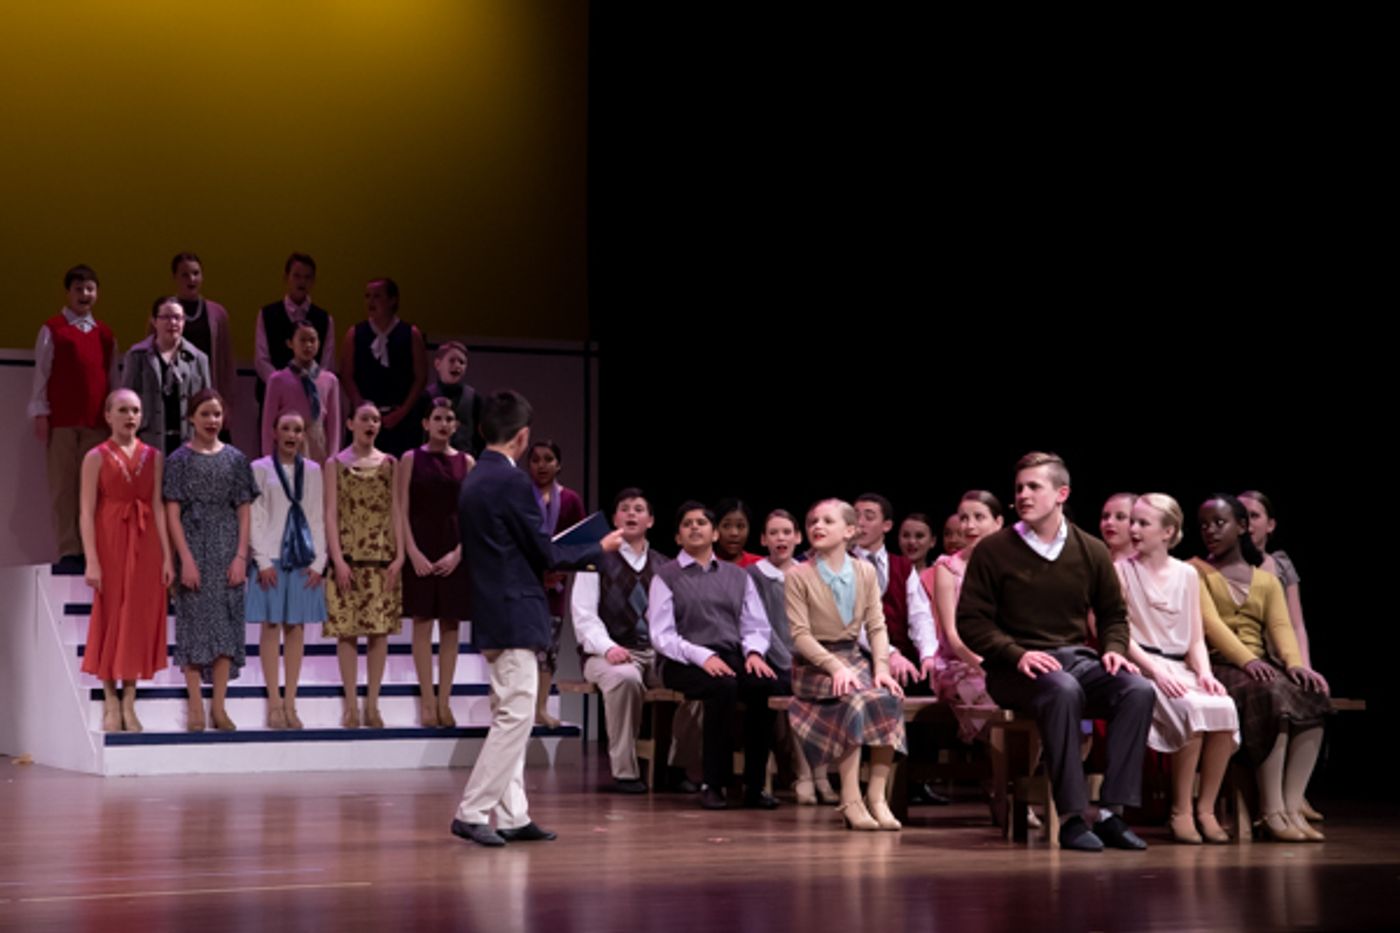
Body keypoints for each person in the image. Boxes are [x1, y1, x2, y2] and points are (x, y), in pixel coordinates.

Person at [956, 451, 1155, 852]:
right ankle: (1071, 818)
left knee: (1137, 690)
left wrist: (1114, 649)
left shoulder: (1090, 549)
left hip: (1073, 659)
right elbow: (971, 622)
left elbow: (1114, 615)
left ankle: (1112, 813)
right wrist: (1016, 653)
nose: (1023, 495)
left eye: (1034, 487)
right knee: (1062, 689)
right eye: (1019, 488)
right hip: (1014, 668)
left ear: (1061, 493)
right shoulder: (994, 550)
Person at [451, 390, 621, 847]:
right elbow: (545, 552)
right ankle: (472, 811)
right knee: (516, 714)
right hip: (513, 610)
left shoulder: (475, 477)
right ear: (523, 436)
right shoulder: (511, 481)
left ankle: (513, 814)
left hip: (493, 607)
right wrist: (598, 548)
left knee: (511, 711)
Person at [1192, 494, 1330, 842]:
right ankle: (1271, 810)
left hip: (1258, 666)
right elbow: (1211, 625)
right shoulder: (1195, 571)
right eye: (1204, 525)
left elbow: (1281, 626)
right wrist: (1248, 661)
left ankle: (1292, 806)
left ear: (1241, 526)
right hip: (1218, 665)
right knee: (1270, 696)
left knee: (1311, 694)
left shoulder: (1266, 580)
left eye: (1219, 523)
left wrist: (1296, 665)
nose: (1210, 531)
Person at [1117, 494, 1238, 844]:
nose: (1133, 529)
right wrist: (1155, 672)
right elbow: (1121, 634)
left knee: (1224, 708)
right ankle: (1181, 810)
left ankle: (1206, 809)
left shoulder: (1187, 574)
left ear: (1168, 531)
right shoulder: (1121, 571)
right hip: (1143, 666)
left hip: (1180, 666)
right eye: (1133, 521)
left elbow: (1196, 638)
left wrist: (1205, 674)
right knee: (1191, 709)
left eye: (1143, 523)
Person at [650, 502, 784, 811]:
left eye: (701, 522)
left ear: (714, 534)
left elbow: (754, 623)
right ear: (678, 537)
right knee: (723, 687)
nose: (694, 527)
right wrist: (702, 656)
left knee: (765, 685)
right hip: (682, 658)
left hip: (730, 654)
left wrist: (754, 652)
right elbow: (662, 635)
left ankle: (754, 785)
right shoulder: (666, 576)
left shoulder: (737, 576)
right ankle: (714, 783)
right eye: (687, 524)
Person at [786, 499, 906, 830]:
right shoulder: (798, 574)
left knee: (889, 698)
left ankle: (877, 797)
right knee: (853, 700)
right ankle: (850, 798)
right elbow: (800, 635)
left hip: (854, 658)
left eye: (827, 521)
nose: (817, 526)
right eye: (813, 521)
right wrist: (834, 667)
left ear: (849, 531)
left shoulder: (865, 571)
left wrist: (882, 669)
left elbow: (877, 626)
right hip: (815, 664)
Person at [79, 389, 175, 732]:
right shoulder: (95, 457)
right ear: (108, 415)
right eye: (123, 410)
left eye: (135, 410)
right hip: (111, 538)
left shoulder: (154, 456)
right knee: (111, 614)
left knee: (137, 616)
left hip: (146, 541)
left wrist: (167, 556)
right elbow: (85, 512)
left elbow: (158, 506)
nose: (130, 416)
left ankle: (130, 700)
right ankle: (110, 699)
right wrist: (92, 559)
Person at [163, 389, 258, 732]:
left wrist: (241, 555)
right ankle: (194, 707)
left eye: (217, 414)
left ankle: (218, 706)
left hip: (226, 547)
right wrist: (185, 558)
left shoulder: (236, 459)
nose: (212, 420)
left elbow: (244, 510)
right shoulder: (178, 460)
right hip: (194, 545)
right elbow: (172, 514)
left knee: (226, 626)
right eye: (205, 414)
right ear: (192, 418)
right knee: (193, 625)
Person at [571, 488, 671, 792]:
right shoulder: (596, 559)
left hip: (655, 653)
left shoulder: (665, 566)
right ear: (614, 519)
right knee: (625, 677)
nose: (631, 514)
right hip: (605, 654)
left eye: (639, 509)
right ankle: (625, 772)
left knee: (697, 679)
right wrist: (608, 647)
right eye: (624, 508)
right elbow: (584, 615)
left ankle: (676, 767)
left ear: (650, 520)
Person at [324, 402, 404, 729]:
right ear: (350, 423)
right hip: (347, 558)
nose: (371, 424)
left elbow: (396, 509)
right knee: (347, 632)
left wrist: (399, 555)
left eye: (376, 420)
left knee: (378, 632)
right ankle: (350, 705)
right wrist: (337, 558)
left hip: (381, 558)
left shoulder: (389, 463)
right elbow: (330, 513)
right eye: (365, 419)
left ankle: (372, 704)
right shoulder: (334, 464)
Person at [30, 264, 117, 563]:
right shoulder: (53, 329)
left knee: (94, 488)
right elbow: (42, 374)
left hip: (97, 423)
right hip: (63, 422)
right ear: (68, 292)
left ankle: (92, 548)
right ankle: (69, 549)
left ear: (97, 293)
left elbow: (112, 378)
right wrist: (41, 413)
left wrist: (114, 418)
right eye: (78, 289)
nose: (84, 294)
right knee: (64, 486)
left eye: (90, 288)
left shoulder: (105, 334)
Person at [247, 411, 327, 731]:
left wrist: (320, 562)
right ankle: (274, 703)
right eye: (286, 429)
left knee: (296, 629)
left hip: (303, 558)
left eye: (297, 430)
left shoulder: (314, 471)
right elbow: (254, 516)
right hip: (271, 558)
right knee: (271, 628)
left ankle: (291, 701)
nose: (292, 435)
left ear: (303, 435)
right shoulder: (259, 468)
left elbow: (317, 515)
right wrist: (262, 560)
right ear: (274, 433)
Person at [397, 398, 475, 728]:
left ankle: (445, 701)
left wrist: (458, 552)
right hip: (421, 545)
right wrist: (411, 551)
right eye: (438, 418)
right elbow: (400, 509)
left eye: (449, 419)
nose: (444, 424)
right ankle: (427, 702)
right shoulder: (410, 458)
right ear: (426, 423)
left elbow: (472, 514)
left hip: (452, 547)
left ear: (456, 426)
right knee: (422, 622)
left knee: (451, 626)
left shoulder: (466, 462)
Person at [749, 509, 833, 805]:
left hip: (806, 654)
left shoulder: (809, 572)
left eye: (786, 532)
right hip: (774, 659)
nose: (780, 538)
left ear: (798, 537)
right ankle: (805, 775)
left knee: (826, 688)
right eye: (773, 533)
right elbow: (760, 625)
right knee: (799, 690)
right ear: (763, 539)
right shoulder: (754, 575)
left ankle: (820, 774)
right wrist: (787, 660)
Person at [924, 490, 1005, 744]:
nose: (969, 526)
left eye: (979, 517)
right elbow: (952, 635)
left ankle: (1027, 769)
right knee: (993, 702)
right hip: (958, 664)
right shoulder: (948, 568)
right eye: (964, 518)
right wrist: (983, 665)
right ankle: (1002, 769)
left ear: (998, 522)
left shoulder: (1010, 566)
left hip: (1002, 660)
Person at [526, 439, 586, 728]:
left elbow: (583, 542)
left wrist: (561, 569)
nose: (542, 465)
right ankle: (519, 707)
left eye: (548, 459)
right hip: (524, 583)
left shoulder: (571, 499)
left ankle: (540, 708)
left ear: (559, 464)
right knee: (522, 649)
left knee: (548, 649)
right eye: (536, 459)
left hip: (555, 586)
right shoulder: (520, 496)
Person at [340, 277, 427, 457]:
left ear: (392, 300)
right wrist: (360, 405)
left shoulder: (411, 333)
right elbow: (346, 375)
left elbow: (420, 377)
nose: (370, 301)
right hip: (365, 417)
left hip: (400, 419)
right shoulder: (355, 333)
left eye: (377, 296)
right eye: (367, 296)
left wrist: (403, 411)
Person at [852, 493, 929, 686]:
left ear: (886, 525)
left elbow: (920, 616)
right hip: (858, 657)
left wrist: (928, 655)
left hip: (902, 659)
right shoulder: (842, 564)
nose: (860, 523)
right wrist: (890, 654)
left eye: (869, 517)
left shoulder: (902, 566)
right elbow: (853, 623)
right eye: (855, 516)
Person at [122, 296, 212, 456]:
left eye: (177, 317)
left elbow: (207, 405)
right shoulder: (137, 356)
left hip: (188, 444)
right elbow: (125, 402)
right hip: (148, 443)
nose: (173, 323)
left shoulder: (199, 359)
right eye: (166, 317)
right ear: (154, 321)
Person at [254, 253, 335, 414]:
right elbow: (261, 359)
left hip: (312, 398)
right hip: (274, 398)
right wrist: (283, 385)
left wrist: (312, 384)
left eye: (307, 277)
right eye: (297, 276)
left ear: (313, 281)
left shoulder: (324, 319)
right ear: (286, 278)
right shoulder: (267, 314)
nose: (301, 282)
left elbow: (327, 361)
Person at [1238, 490, 1312, 667]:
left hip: (1283, 659)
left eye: (1254, 516)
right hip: (1245, 659)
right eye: (1241, 516)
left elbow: (1296, 625)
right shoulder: (1222, 567)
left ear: (1270, 525)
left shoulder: (1281, 565)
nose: (1247, 523)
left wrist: (1305, 666)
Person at [261, 320, 342, 463]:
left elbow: (334, 425)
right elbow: (268, 425)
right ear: (290, 343)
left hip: (318, 446)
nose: (308, 345)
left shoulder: (330, 380)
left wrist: (333, 457)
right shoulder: (278, 380)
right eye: (302, 340)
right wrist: (268, 459)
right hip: (289, 446)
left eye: (312, 340)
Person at [170, 253, 236, 414]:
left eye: (196, 273)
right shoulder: (164, 311)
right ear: (175, 278)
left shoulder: (218, 313)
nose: (191, 279)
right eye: (185, 275)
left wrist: (226, 401)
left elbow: (226, 361)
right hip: (173, 392)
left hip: (207, 393)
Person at [422, 341, 482, 457]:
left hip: (463, 460)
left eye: (462, 362)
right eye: (452, 360)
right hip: (431, 459)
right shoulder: (426, 397)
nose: (457, 365)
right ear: (438, 364)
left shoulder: (474, 398)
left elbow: (479, 438)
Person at [715, 499, 763, 567]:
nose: (734, 533)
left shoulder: (760, 565)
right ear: (715, 529)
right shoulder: (703, 564)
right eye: (726, 526)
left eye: (740, 526)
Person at [1099, 492, 1137, 562]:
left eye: (1120, 517)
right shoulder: (1093, 560)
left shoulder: (1150, 564)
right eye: (1105, 516)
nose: (1109, 522)